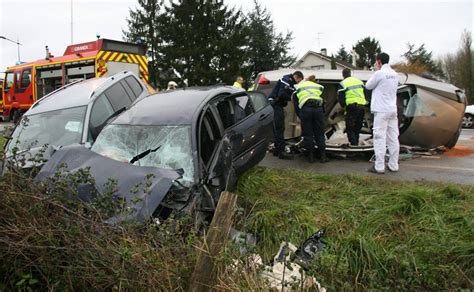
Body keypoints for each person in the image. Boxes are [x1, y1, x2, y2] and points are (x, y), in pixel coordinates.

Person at [365, 52, 399, 174]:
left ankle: (379, 166)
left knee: (379, 137)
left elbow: (368, 86)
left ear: (378, 61)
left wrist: (376, 70)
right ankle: (394, 165)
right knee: (393, 138)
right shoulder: (395, 75)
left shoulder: (379, 73)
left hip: (381, 110)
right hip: (392, 110)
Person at [268, 71, 304, 159]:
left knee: (279, 128)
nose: (298, 82)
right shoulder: (286, 80)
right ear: (296, 76)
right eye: (299, 80)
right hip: (276, 105)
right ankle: (281, 152)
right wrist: (291, 96)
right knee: (280, 128)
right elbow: (281, 94)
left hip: (277, 105)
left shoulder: (289, 82)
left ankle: (277, 150)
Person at [293, 75, 328, 163]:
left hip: (306, 109)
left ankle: (310, 157)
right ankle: (323, 156)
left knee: (308, 134)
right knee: (320, 133)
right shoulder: (318, 87)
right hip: (318, 109)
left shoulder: (299, 86)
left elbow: (295, 102)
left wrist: (300, 114)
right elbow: (322, 101)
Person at [337, 68, 367, 146]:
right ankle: (356, 143)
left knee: (349, 127)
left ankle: (353, 144)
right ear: (350, 73)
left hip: (352, 107)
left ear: (343, 75)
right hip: (362, 107)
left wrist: (343, 106)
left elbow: (341, 97)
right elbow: (366, 93)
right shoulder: (359, 81)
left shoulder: (343, 83)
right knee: (358, 126)